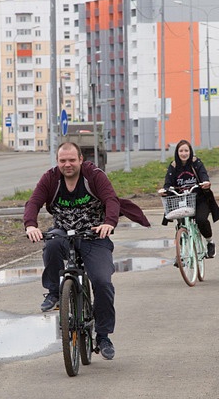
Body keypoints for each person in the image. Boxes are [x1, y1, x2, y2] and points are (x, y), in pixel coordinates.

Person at [24, 141, 150, 360]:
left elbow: (111, 200)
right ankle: (54, 292)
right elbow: (33, 202)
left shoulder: (94, 176)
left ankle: (103, 335)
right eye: (63, 160)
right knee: (51, 245)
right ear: (57, 162)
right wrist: (30, 225)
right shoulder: (51, 178)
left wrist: (109, 223)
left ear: (81, 159)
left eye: (72, 160)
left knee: (102, 282)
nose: (67, 164)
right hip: (63, 233)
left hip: (94, 235)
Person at [157, 139, 219, 258]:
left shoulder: (196, 163)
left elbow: (203, 174)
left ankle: (210, 242)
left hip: (199, 199)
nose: (184, 153)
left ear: (190, 151)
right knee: (181, 224)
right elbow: (167, 183)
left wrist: (205, 182)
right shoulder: (173, 166)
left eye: (186, 150)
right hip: (181, 200)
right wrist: (164, 190)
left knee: (201, 220)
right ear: (177, 152)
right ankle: (181, 253)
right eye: (181, 151)